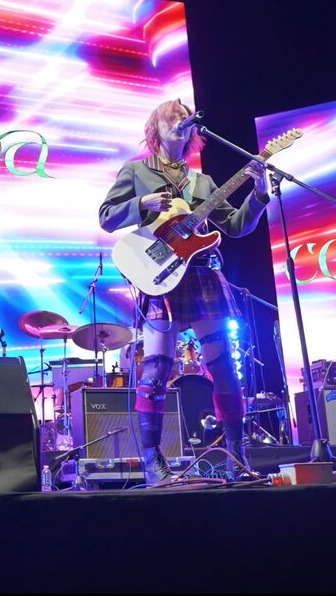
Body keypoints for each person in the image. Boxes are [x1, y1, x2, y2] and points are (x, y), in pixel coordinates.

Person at [99, 98, 269, 484]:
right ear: (155, 129)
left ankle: (236, 456)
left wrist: (259, 195)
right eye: (171, 118)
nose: (180, 122)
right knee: (157, 368)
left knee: (223, 367)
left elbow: (236, 226)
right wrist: (141, 202)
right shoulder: (136, 171)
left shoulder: (203, 182)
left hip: (202, 274)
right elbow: (106, 217)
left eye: (185, 119)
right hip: (160, 275)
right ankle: (152, 461)